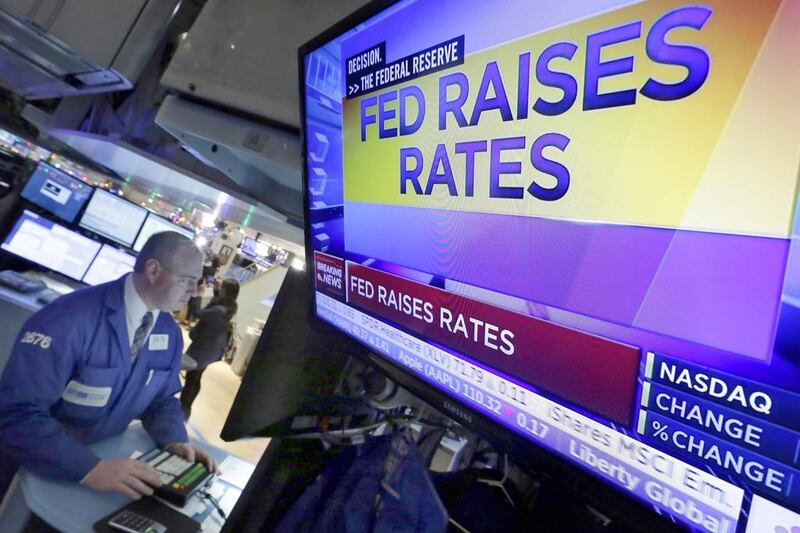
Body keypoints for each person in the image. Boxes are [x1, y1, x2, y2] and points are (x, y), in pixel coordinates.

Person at [0, 231, 218, 501]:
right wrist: (89, 468)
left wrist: (175, 439)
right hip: (26, 471)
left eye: (198, 282)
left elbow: (161, 399)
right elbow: (16, 412)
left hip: (96, 471)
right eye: (187, 280)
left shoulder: (168, 332)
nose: (195, 292)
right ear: (153, 270)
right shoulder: (68, 320)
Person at [180, 278, 240, 418]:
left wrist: (199, 294)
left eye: (222, 288)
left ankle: (184, 408)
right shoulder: (230, 306)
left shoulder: (218, 311)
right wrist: (215, 290)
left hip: (204, 349)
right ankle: (186, 407)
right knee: (196, 377)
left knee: (192, 378)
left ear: (225, 291)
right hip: (212, 348)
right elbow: (217, 301)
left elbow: (197, 313)